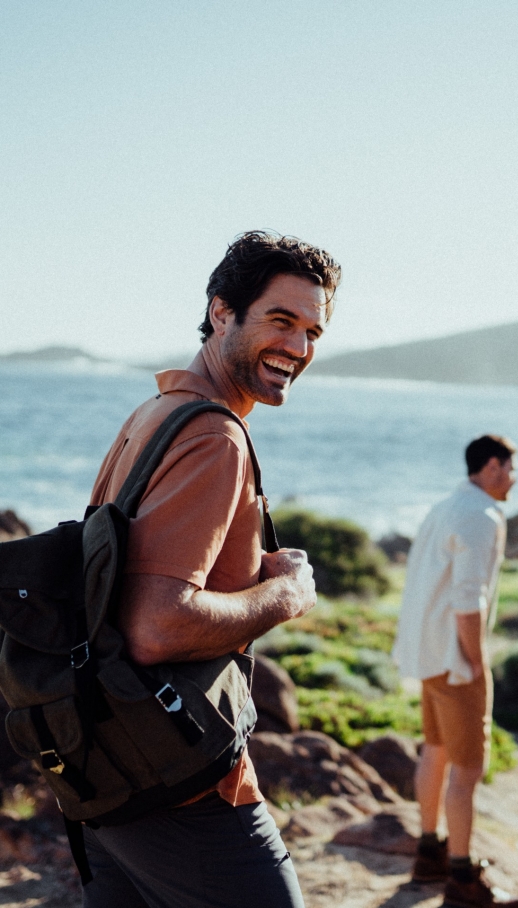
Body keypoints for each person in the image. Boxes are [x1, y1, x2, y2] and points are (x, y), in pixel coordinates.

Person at [82, 231, 341, 908]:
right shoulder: (214, 435)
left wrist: (246, 569)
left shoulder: (157, 411)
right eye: (280, 321)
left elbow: (129, 571)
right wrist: (284, 594)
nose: (299, 348)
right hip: (179, 778)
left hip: (105, 758)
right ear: (222, 311)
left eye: (313, 330)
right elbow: (156, 627)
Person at [393, 435, 518, 908]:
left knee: (436, 751)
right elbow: (469, 603)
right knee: (468, 770)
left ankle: (430, 853)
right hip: (455, 662)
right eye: (511, 467)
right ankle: (463, 879)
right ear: (492, 466)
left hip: (428, 656)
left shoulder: (447, 505)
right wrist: (475, 660)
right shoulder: (481, 516)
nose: (514, 476)